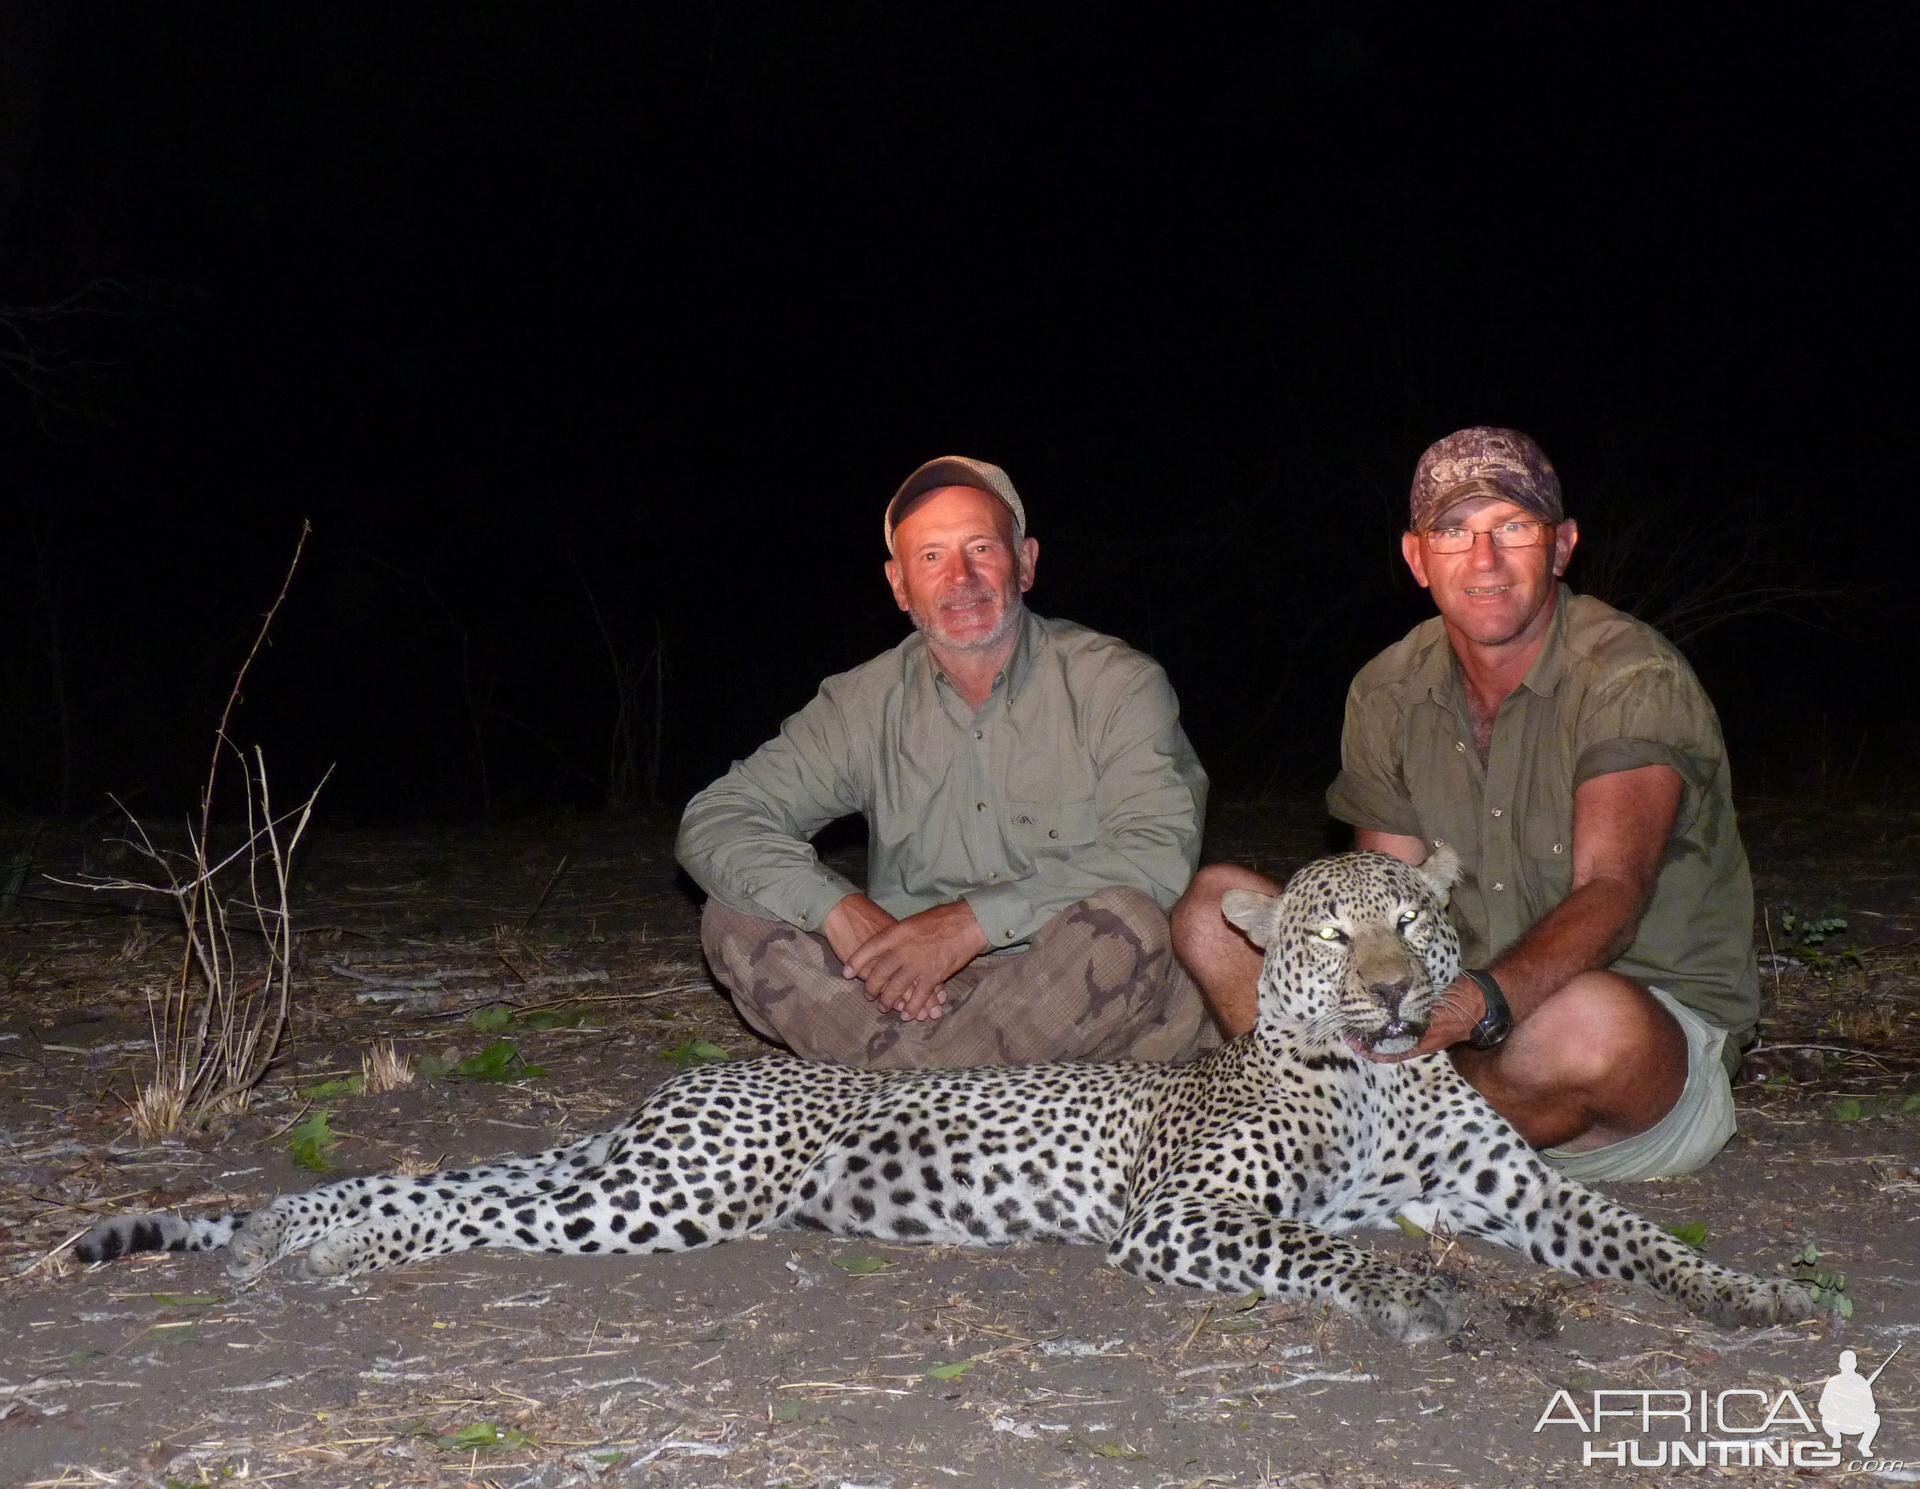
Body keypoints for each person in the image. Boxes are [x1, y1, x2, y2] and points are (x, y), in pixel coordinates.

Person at [1173, 427, 1759, 1181]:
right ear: (1417, 558)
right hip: (1450, 1028)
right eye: (1454, 531)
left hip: (1637, 1037)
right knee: (1211, 909)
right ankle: (1368, 1139)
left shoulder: (1628, 675)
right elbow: (1382, 900)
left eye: (1513, 526)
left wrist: (1475, 1002)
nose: (1483, 560)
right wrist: (1403, 1010)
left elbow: (1613, 892)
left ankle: (1360, 1152)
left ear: (1561, 545)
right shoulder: (1385, 688)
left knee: (1585, 1023)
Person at [677, 455, 1214, 1069]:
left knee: (1128, 923)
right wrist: (838, 909)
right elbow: (720, 815)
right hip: (904, 991)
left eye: (980, 547)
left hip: (1058, 978)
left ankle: (910, 1093)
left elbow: (1157, 849)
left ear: (1026, 563)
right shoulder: (862, 702)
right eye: (930, 556)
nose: (960, 577)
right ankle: (972, 1093)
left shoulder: (1115, 682)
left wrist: (970, 925)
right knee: (735, 915)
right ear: (899, 585)